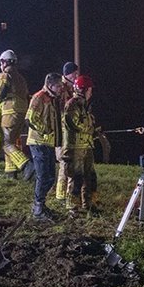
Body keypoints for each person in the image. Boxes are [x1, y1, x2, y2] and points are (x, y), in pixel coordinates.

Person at [26, 73, 64, 220]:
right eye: (58, 86)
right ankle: (38, 209)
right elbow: (30, 118)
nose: (61, 88)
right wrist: (45, 130)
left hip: (48, 143)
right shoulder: (39, 97)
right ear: (50, 85)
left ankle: (41, 205)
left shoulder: (53, 99)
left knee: (50, 177)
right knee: (43, 176)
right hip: (38, 142)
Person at [0, 49, 34, 180]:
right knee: (12, 141)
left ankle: (26, 165)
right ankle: (11, 172)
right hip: (21, 112)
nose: (0, 65)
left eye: (1, 62)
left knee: (6, 143)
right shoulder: (21, 78)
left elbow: (1, 93)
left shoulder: (5, 75)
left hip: (10, 112)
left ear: (5, 62)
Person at [62, 75, 98, 215]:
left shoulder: (85, 105)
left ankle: (88, 204)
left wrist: (95, 130)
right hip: (75, 147)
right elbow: (73, 124)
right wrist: (90, 129)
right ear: (83, 89)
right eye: (90, 89)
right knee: (76, 177)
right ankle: (72, 206)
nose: (91, 92)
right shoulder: (73, 105)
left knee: (90, 176)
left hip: (86, 146)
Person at [55, 61, 80, 203]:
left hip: (68, 130)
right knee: (64, 162)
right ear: (68, 74)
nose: (77, 75)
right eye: (74, 73)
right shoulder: (62, 88)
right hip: (62, 130)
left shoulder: (70, 88)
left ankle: (66, 193)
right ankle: (60, 195)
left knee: (69, 163)